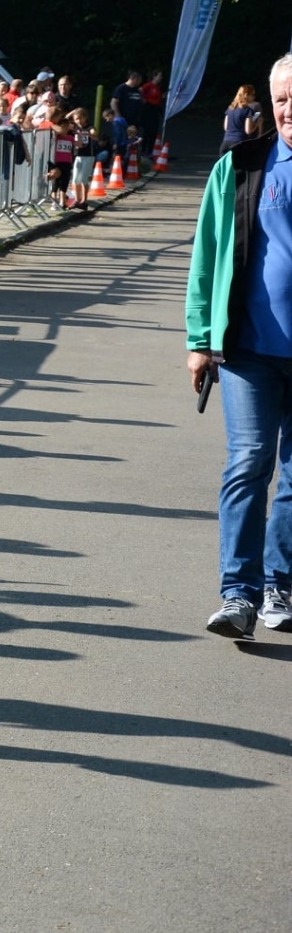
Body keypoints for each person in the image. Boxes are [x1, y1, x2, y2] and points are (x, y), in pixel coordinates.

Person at [188, 55, 292, 640]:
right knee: (249, 461)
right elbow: (206, 253)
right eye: (281, 99)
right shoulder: (242, 165)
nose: (288, 108)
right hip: (250, 350)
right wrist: (200, 339)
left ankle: (280, 584)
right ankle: (238, 594)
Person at [222, 85, 262, 155]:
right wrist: (257, 124)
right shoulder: (248, 110)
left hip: (226, 143)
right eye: (252, 95)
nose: (254, 97)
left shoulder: (230, 108)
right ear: (246, 95)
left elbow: (226, 127)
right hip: (239, 143)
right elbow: (248, 131)